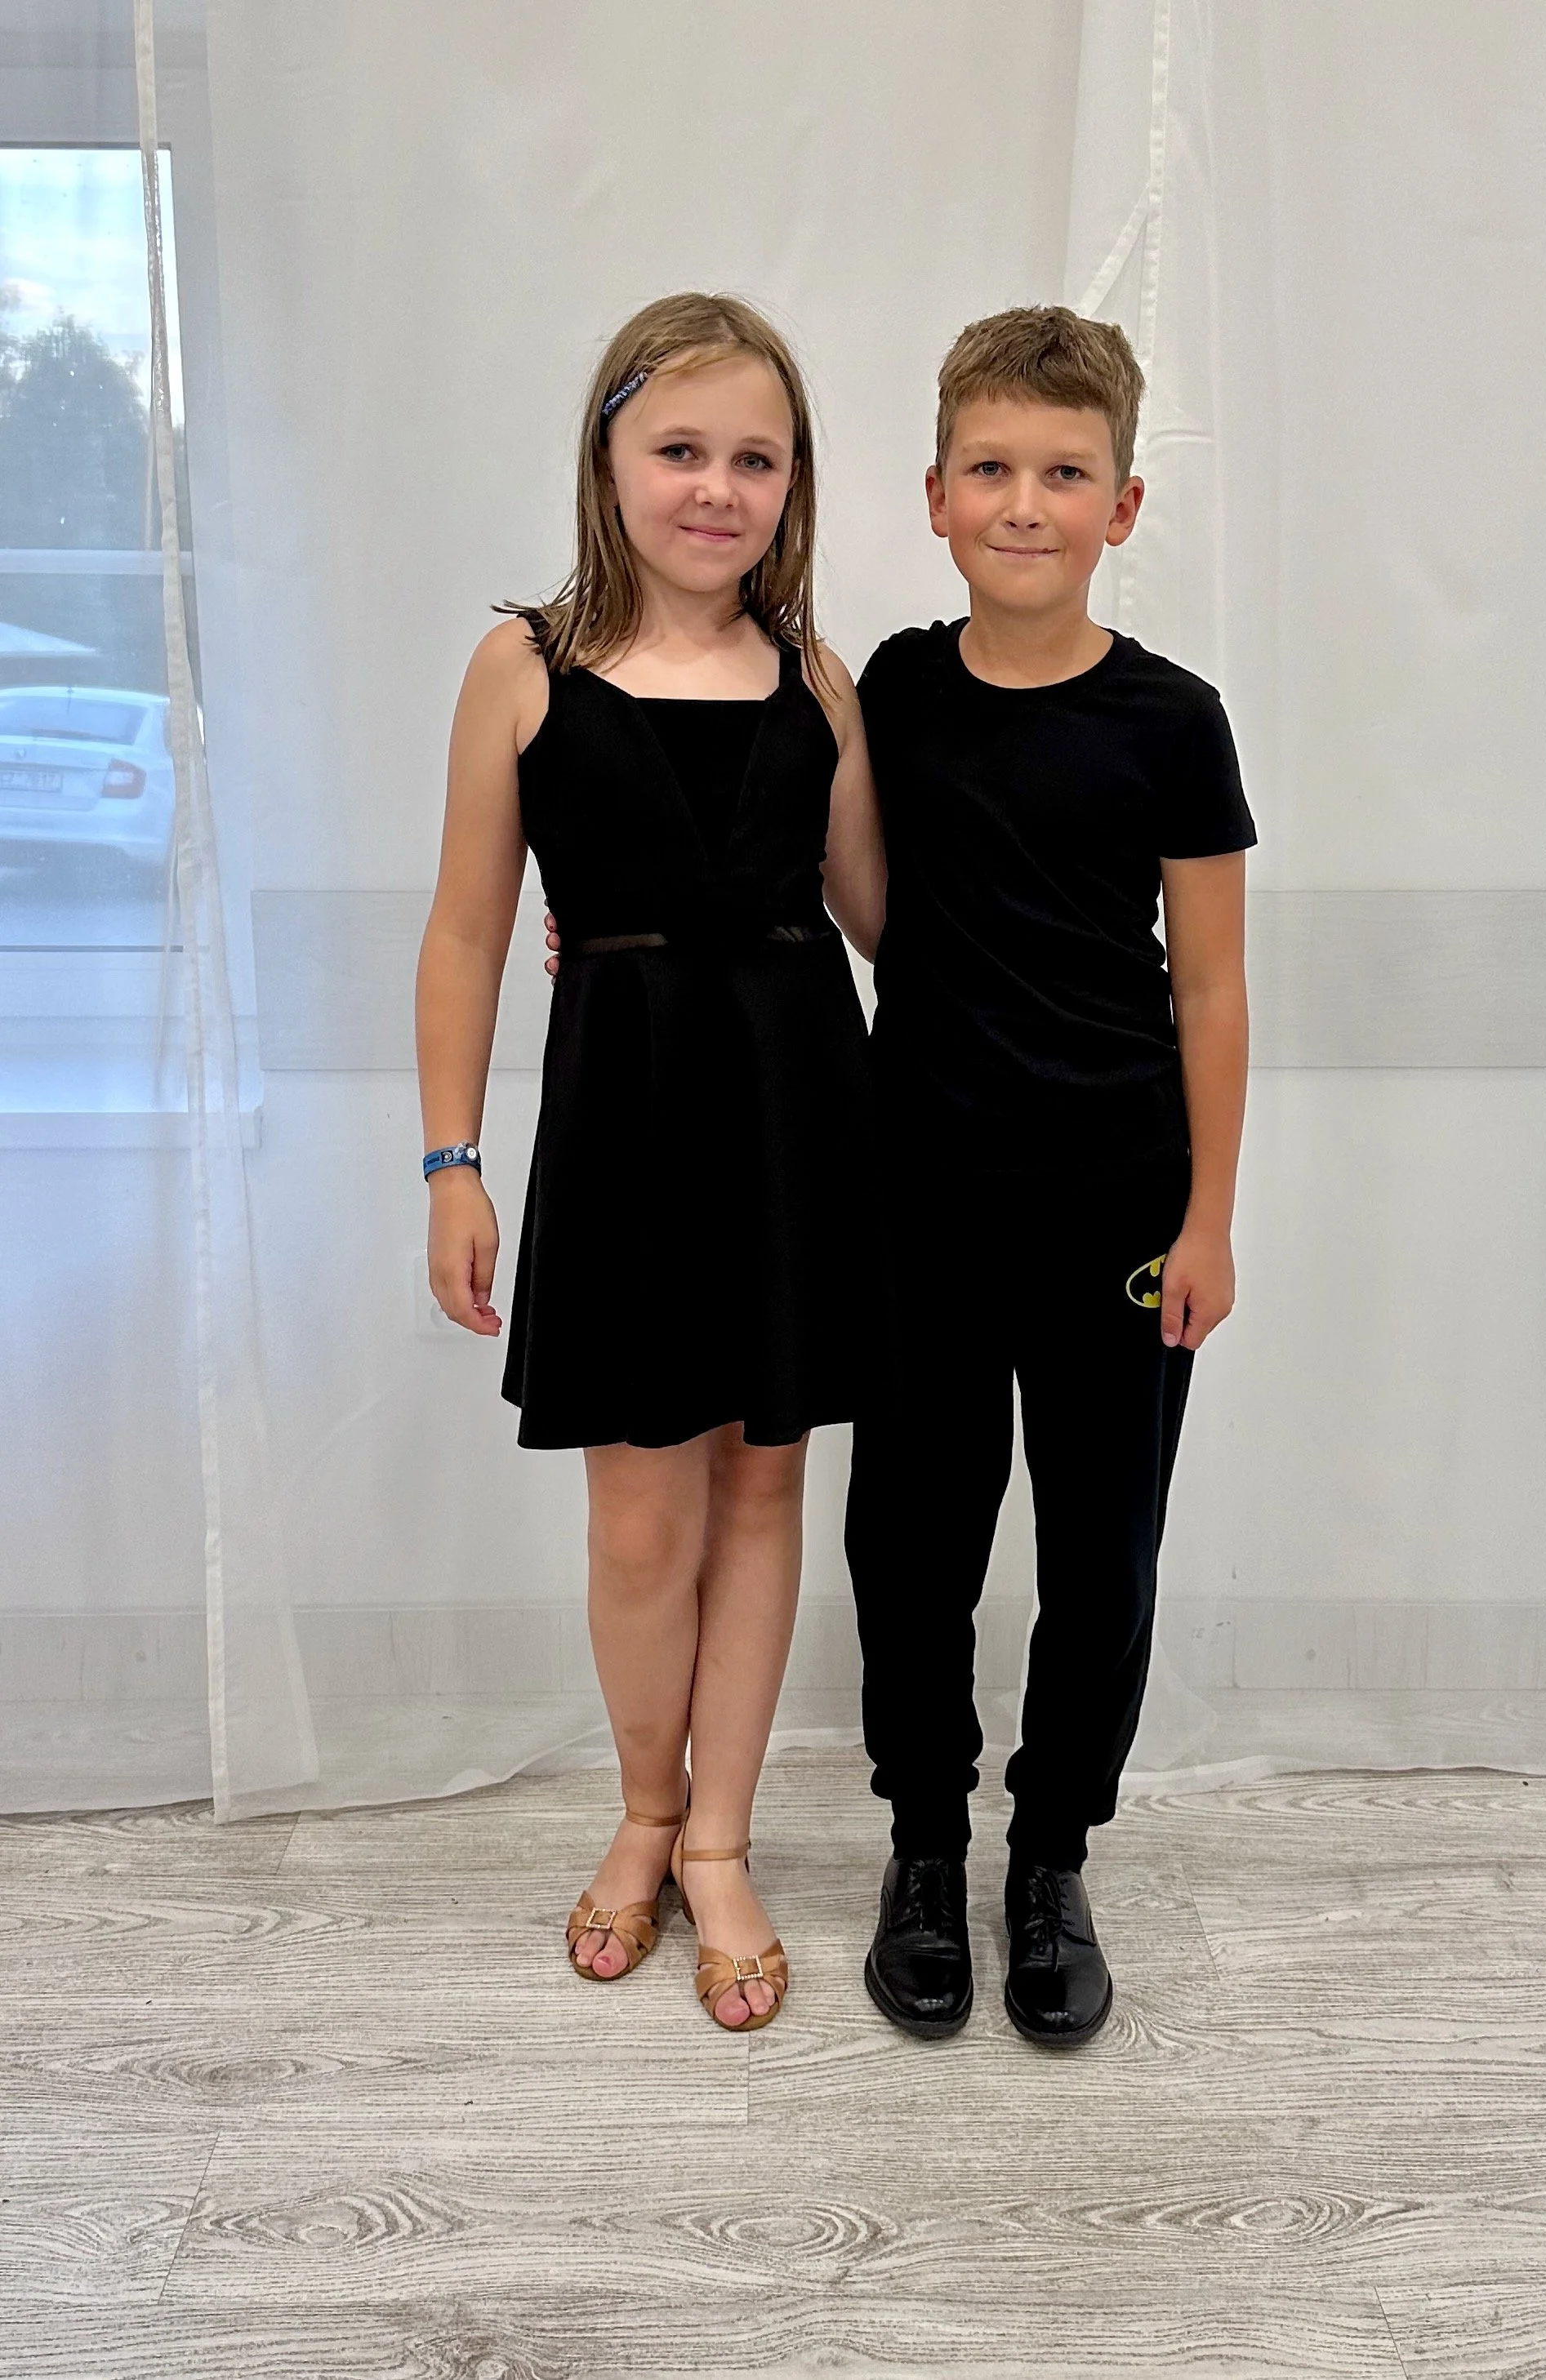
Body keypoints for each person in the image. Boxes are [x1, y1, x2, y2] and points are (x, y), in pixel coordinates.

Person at [417, 291, 884, 2033]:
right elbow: (467, 931)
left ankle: (722, 1840)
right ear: (608, 460)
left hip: (793, 1119)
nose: (716, 487)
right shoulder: (522, 666)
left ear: (793, 483)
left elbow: (882, 917)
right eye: (680, 448)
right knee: (637, 1512)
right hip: (622, 1125)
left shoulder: (818, 679)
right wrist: (452, 1159)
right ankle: (641, 1808)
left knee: (762, 1485)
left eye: (755, 457)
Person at [846, 306, 1254, 2049]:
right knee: (911, 1541)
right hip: (922, 1198)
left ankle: (1049, 1857)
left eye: (1065, 473)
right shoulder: (888, 688)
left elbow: (1212, 986)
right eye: (993, 468)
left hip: (1117, 1202)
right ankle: (925, 1847)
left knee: (1101, 1556)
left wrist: (1206, 1217)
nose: (1026, 502)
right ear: (935, 493)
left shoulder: (1174, 720)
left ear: (1123, 505)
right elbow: (862, 899)